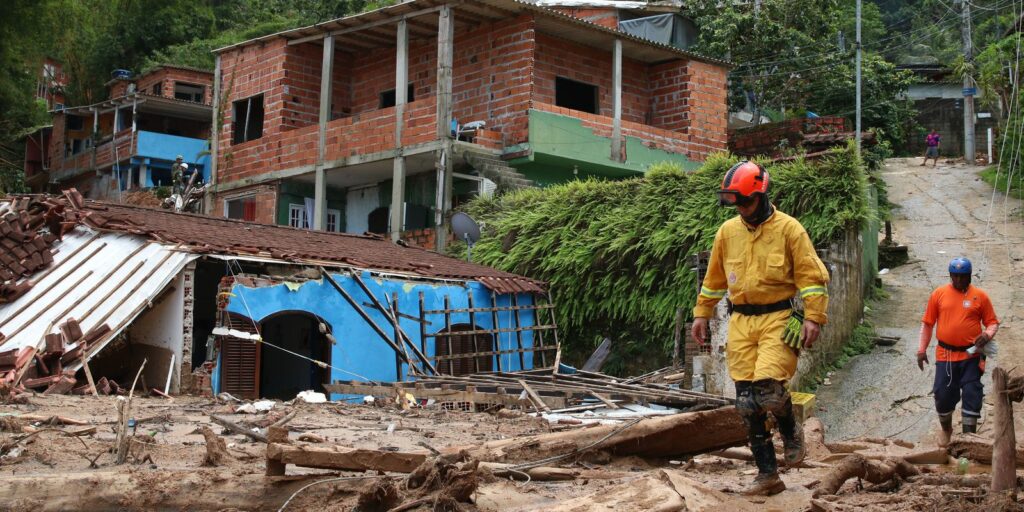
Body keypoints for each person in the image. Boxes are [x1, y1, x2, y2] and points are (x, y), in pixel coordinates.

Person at [691, 161, 831, 496]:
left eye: (745, 201)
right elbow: (713, 281)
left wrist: (813, 316)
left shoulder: (790, 230)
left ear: (762, 194)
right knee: (746, 403)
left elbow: (812, 280)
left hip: (779, 318)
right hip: (741, 321)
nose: (741, 208)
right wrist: (701, 314)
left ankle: (790, 429)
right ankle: (768, 474)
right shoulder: (727, 232)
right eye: (735, 202)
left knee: (768, 389)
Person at [916, 257, 999, 446]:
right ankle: (946, 430)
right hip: (945, 355)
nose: (959, 280)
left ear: (969, 276)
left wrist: (987, 335)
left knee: (972, 393)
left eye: (963, 277)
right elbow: (928, 324)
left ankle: (968, 439)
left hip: (972, 356)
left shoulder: (980, 296)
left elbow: (992, 322)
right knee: (943, 395)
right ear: (950, 276)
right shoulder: (938, 294)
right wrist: (921, 350)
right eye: (956, 276)